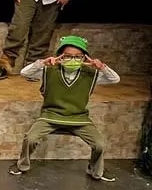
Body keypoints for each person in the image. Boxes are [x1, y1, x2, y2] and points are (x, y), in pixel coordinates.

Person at [9, 36, 120, 182]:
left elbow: (115, 79)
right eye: (68, 56)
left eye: (78, 56)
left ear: (84, 57)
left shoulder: (90, 74)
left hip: (79, 118)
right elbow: (25, 73)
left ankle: (94, 169)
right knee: (30, 139)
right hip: (50, 115)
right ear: (61, 56)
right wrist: (42, 63)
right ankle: (22, 165)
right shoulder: (49, 71)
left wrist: (102, 67)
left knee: (99, 144)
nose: (73, 60)